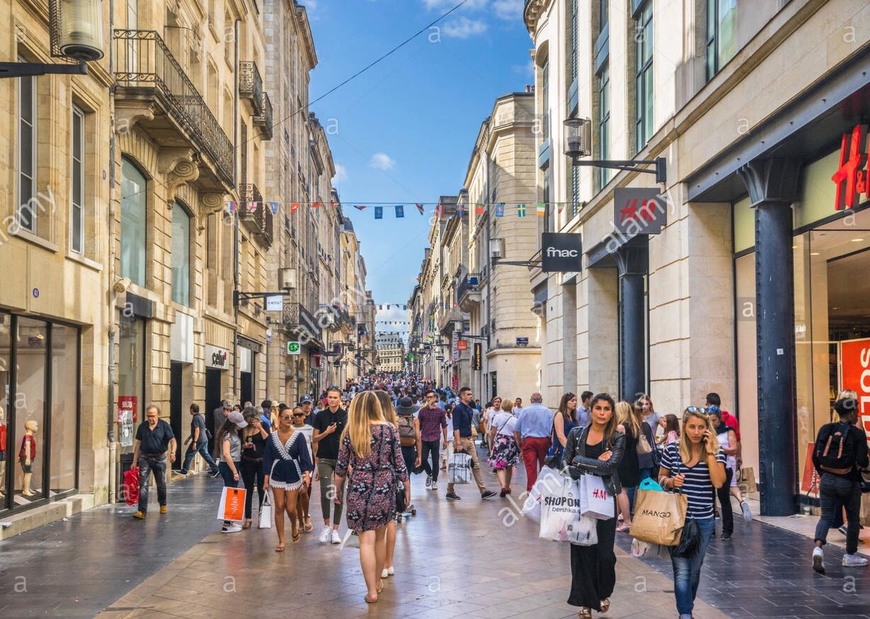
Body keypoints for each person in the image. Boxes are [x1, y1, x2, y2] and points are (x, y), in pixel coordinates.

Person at [334, 391, 410, 604]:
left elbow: (340, 467)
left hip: (359, 485)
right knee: (379, 537)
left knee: (365, 540)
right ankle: (377, 582)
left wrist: (337, 490)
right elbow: (399, 461)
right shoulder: (389, 429)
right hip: (385, 485)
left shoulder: (351, 431)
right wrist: (406, 484)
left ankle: (371, 592)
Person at [658, 406, 727, 619]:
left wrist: (709, 453)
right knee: (682, 572)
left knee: (695, 570)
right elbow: (660, 478)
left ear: (707, 429)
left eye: (701, 427)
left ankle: (687, 603)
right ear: (684, 427)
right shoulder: (672, 449)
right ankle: (685, 614)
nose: (696, 432)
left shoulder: (715, 451)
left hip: (704, 520)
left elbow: (718, 482)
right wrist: (670, 481)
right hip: (677, 520)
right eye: (692, 427)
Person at [562, 393, 625, 618]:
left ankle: (603, 592)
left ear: (611, 413)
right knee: (581, 551)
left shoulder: (616, 438)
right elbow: (564, 461)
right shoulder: (576, 434)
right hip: (579, 498)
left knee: (605, 553)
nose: (601, 413)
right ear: (591, 410)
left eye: (606, 409)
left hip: (606, 499)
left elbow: (610, 467)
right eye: (598, 408)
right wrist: (574, 466)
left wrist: (580, 461)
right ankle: (586, 603)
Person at [811, 397, 869, 573]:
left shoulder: (826, 429)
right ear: (851, 414)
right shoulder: (857, 434)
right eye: (857, 413)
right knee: (852, 519)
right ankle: (850, 555)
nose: (858, 416)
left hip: (827, 480)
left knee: (826, 516)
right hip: (849, 482)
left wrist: (825, 475)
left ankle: (818, 548)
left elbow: (815, 457)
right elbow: (862, 461)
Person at [263, 406, 313, 551]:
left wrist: (307, 475)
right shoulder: (272, 437)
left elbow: (305, 457)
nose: (290, 419)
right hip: (277, 472)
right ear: (279, 419)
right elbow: (267, 458)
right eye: (286, 417)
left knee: (291, 508)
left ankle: (294, 525)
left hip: (294, 472)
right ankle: (281, 541)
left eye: (292, 417)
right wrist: (265, 480)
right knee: (279, 506)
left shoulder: (299, 436)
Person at [445, 387, 497, 501]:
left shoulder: (469, 409)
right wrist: (458, 443)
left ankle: (483, 491)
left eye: (471, 394)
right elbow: (456, 427)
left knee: (476, 465)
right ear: (462, 396)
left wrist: (472, 439)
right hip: (461, 440)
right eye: (468, 394)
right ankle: (449, 490)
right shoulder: (458, 409)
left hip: (469, 439)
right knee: (458, 466)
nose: (471, 396)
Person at [312, 386, 348, 544]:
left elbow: (349, 440)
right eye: (330, 397)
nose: (332, 400)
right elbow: (314, 439)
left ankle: (335, 529)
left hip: (341, 458)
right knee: (326, 491)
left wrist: (351, 461)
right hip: (324, 458)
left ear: (340, 398)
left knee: (338, 493)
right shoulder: (320, 415)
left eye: (335, 397)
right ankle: (326, 526)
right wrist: (326, 432)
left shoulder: (346, 416)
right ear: (326, 398)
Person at [708, 408, 750, 540]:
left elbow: (734, 449)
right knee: (709, 498)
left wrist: (719, 449)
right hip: (709, 466)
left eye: (714, 420)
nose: (712, 423)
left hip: (724, 466)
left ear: (719, 419)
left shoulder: (728, 431)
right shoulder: (707, 431)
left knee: (723, 497)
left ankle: (727, 530)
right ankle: (710, 528)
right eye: (709, 420)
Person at [131, 405, 176, 519]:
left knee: (161, 483)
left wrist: (172, 453)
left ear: (158, 415)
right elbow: (138, 444)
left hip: (159, 458)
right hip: (144, 458)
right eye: (149, 416)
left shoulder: (164, 426)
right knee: (143, 485)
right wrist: (134, 460)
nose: (151, 418)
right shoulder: (142, 427)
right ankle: (142, 511)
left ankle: (163, 504)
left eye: (153, 416)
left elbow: (172, 440)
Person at [514, 392, 554, 492]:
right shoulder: (548, 411)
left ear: (531, 400)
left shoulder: (524, 411)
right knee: (544, 466)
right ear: (541, 400)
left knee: (530, 467)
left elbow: (517, 429)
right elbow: (551, 429)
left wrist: (520, 444)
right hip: (544, 440)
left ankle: (531, 490)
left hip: (529, 440)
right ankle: (543, 489)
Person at [216, 410, 248, 533]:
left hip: (232, 464)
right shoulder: (227, 435)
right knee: (230, 493)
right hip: (229, 465)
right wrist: (235, 471)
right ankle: (227, 523)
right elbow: (226, 453)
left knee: (230, 492)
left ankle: (229, 521)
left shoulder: (232, 433)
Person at [614, 401, 641, 532]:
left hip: (622, 461)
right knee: (621, 491)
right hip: (632, 460)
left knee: (621, 491)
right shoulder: (634, 425)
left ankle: (627, 521)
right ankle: (618, 519)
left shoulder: (620, 427)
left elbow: (616, 445)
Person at [240, 408, 269, 529]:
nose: (252, 423)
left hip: (261, 461)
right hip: (247, 461)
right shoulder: (244, 429)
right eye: (250, 421)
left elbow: (268, 440)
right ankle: (248, 518)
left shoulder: (264, 425)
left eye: (254, 420)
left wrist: (260, 427)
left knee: (263, 489)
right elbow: (240, 443)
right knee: (248, 489)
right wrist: (245, 445)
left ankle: (262, 517)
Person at [290, 406, 315, 533]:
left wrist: (316, 465)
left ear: (304, 416)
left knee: (303, 492)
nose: (297, 417)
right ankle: (300, 519)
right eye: (295, 415)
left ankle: (306, 517)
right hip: (292, 465)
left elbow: (314, 447)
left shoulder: (310, 429)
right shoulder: (289, 430)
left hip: (306, 464)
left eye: (300, 414)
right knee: (296, 494)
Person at [487, 399, 519, 497]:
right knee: (509, 465)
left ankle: (503, 486)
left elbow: (493, 432)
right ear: (511, 407)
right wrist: (519, 446)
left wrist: (492, 443)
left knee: (499, 465)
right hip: (511, 443)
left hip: (500, 441)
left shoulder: (497, 417)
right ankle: (507, 486)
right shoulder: (515, 419)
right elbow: (516, 435)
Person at [177, 403, 219, 477]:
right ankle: (216, 469)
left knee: (189, 454)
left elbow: (197, 430)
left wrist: (194, 442)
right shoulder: (201, 416)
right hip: (204, 438)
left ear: (192, 410)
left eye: (190, 409)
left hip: (199, 440)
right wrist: (188, 438)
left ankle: (184, 470)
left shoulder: (195, 418)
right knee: (206, 455)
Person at [417, 389, 448, 491]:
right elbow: (419, 426)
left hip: (435, 438)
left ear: (435, 398)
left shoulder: (440, 411)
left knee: (435, 461)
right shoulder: (422, 411)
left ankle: (434, 481)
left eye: (431, 397)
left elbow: (444, 426)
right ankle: (430, 473)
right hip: (425, 438)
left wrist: (445, 440)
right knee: (424, 459)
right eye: (428, 397)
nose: (430, 399)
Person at [552, 392, 580, 470]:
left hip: (572, 450)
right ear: (565, 402)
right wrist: (569, 449)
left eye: (575, 400)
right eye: (572, 400)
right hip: (562, 449)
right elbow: (560, 435)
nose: (575, 402)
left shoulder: (573, 417)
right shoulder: (559, 415)